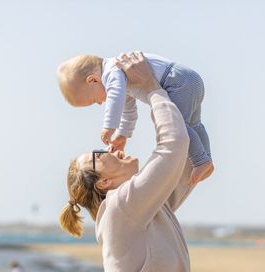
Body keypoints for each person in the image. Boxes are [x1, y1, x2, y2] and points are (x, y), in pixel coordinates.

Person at [59, 51, 195, 272]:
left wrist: (185, 97)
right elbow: (173, 147)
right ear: (104, 183)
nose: (110, 149)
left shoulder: (141, 207)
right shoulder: (120, 206)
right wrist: (150, 88)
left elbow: (182, 166)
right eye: (99, 155)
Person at [57, 52, 214, 185]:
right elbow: (128, 110)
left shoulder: (112, 71)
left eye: (93, 100)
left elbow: (116, 97)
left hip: (176, 83)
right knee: (194, 125)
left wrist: (109, 126)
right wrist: (123, 134)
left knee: (180, 127)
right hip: (189, 80)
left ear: (93, 80)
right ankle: (206, 160)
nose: (99, 103)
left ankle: (201, 161)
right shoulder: (120, 76)